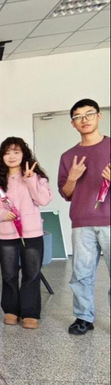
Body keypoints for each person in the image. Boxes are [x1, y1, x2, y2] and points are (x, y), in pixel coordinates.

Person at [58, 98, 110, 335]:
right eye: (78, 117)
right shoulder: (68, 156)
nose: (84, 120)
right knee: (81, 274)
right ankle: (83, 317)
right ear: (73, 123)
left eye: (89, 114)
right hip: (81, 223)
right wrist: (72, 178)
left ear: (99, 116)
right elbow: (66, 193)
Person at [0, 137, 52, 329]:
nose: (11, 156)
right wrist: (2, 214)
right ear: (2, 156)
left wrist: (31, 180)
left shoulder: (36, 177)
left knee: (31, 273)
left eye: (16, 152)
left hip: (31, 233)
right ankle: (10, 310)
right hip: (5, 234)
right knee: (9, 274)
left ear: (24, 154)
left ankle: (30, 313)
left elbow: (44, 200)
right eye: (7, 152)